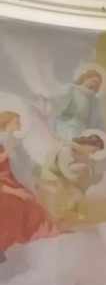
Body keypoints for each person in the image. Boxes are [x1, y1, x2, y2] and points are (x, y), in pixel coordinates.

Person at [0, 110, 64, 259]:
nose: (19, 124)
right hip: (6, 186)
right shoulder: (5, 142)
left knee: (30, 209)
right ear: (7, 122)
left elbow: (22, 170)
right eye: (16, 121)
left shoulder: (12, 142)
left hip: (12, 183)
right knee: (20, 209)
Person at [48, 66, 106, 141]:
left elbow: (94, 118)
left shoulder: (94, 100)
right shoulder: (72, 89)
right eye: (94, 81)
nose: (94, 85)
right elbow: (58, 102)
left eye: (97, 84)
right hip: (66, 124)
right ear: (86, 78)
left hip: (82, 129)